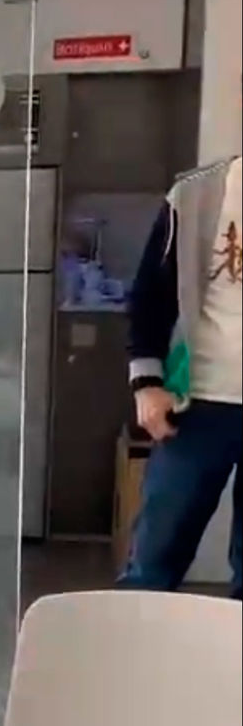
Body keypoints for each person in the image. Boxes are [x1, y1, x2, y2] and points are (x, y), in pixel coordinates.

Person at [121, 150, 241, 600]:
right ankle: (134, 663)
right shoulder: (195, 195)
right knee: (154, 560)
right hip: (197, 405)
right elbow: (150, 297)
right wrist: (147, 384)